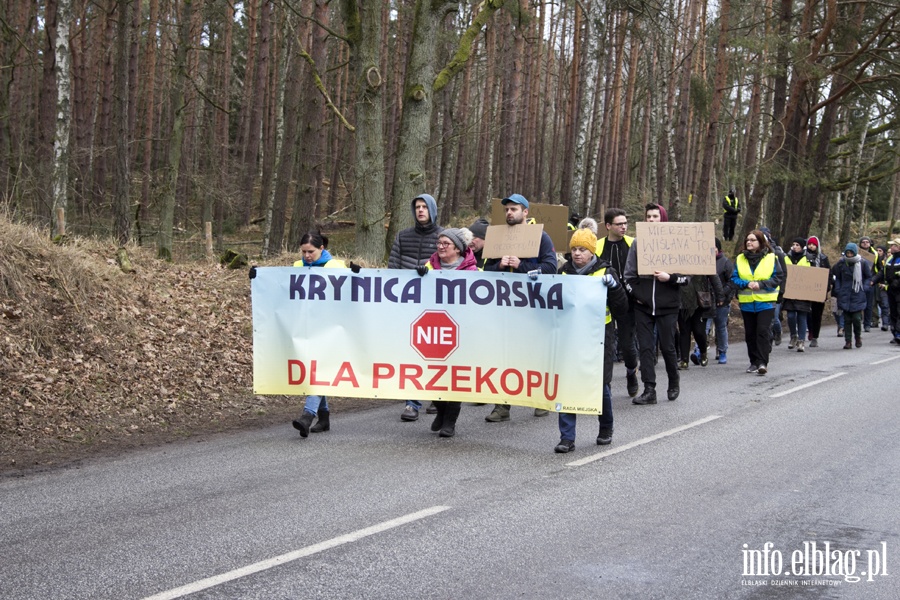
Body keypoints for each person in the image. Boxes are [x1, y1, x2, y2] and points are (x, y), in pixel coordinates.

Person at [483, 194, 558, 422]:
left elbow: (550, 267)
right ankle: (502, 406)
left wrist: (521, 265)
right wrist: (500, 265)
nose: (509, 213)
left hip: (532, 306)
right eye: (506, 209)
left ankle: (541, 400)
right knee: (504, 354)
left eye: (514, 209)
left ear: (525, 212)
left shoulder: (541, 237)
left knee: (534, 354)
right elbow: (485, 270)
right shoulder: (497, 237)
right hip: (505, 306)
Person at [554, 228, 629, 453]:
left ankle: (606, 427)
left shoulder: (606, 271)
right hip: (570, 335)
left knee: (600, 385)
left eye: (582, 250)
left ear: (591, 251)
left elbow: (622, 308)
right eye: (574, 249)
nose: (577, 254)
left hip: (600, 336)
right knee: (567, 383)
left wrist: (615, 288)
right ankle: (567, 437)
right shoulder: (563, 272)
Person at [624, 203, 689, 404]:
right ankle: (649, 390)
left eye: (655, 216)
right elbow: (628, 275)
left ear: (663, 219)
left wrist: (669, 277)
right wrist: (637, 294)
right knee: (645, 348)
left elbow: (686, 278)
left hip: (667, 306)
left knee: (668, 347)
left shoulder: (676, 242)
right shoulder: (637, 243)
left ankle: (673, 381)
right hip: (643, 306)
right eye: (648, 217)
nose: (651, 220)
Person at [388, 194, 443, 422]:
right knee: (412, 352)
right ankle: (412, 403)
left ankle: (437, 396)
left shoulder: (444, 236)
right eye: (417, 207)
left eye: (424, 207)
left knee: (435, 352)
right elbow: (393, 268)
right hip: (409, 302)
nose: (420, 211)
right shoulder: (403, 236)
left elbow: (451, 267)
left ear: (432, 209)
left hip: (435, 303)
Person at [420, 228, 479, 437]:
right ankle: (441, 410)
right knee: (430, 372)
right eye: (439, 243)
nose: (441, 247)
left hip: (461, 330)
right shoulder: (429, 265)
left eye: (446, 243)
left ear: (458, 248)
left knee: (454, 376)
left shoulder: (472, 272)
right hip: (433, 327)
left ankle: (450, 421)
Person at [290, 232, 346, 437]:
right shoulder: (296, 267)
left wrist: (356, 273)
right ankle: (324, 418)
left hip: (329, 328)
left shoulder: (335, 267)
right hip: (305, 327)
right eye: (303, 251)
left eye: (311, 251)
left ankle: (308, 415)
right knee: (313, 369)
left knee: (318, 370)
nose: (307, 256)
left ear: (321, 248)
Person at [595, 208, 639, 397]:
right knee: (604, 346)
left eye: (625, 223)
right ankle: (605, 386)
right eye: (619, 224)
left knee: (627, 345)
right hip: (601, 303)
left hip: (627, 302)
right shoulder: (597, 246)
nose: (623, 227)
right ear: (608, 226)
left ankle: (631, 372)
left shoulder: (632, 243)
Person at [732, 229, 784, 375]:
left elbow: (778, 277)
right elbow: (734, 278)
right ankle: (753, 362)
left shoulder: (771, 258)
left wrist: (761, 284)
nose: (749, 242)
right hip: (747, 302)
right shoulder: (740, 258)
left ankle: (762, 362)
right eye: (747, 240)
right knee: (750, 334)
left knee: (762, 331)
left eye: (753, 240)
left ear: (761, 242)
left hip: (766, 302)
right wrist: (745, 283)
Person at [679, 271, 724, 369]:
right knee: (684, 331)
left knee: (698, 331)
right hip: (682, 302)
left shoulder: (701, 257)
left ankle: (703, 351)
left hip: (700, 301)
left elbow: (714, 277)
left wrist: (720, 295)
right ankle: (684, 360)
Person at [832, 242, 873, 349]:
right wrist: (838, 289)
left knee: (856, 319)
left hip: (858, 293)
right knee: (847, 320)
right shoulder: (841, 263)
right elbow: (837, 277)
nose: (849, 255)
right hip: (844, 294)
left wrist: (864, 287)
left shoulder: (862, 263)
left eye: (851, 253)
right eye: (847, 253)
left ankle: (858, 337)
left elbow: (869, 277)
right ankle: (848, 341)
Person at [783, 238, 813, 352]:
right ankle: (793, 335)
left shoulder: (808, 258)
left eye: (797, 245)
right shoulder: (787, 257)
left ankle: (801, 340)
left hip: (803, 292)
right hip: (790, 291)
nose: (794, 246)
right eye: (793, 244)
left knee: (802, 316)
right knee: (790, 316)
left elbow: (813, 274)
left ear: (802, 247)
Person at [709, 238, 735, 363]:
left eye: (714, 247)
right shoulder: (703, 262)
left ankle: (722, 350)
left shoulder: (725, 262)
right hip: (706, 301)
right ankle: (700, 351)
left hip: (722, 301)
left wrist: (723, 295)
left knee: (720, 327)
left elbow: (731, 282)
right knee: (705, 327)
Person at [759, 227, 786, 346]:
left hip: (774, 293)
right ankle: (767, 342)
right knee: (765, 323)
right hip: (759, 294)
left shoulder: (777, 254)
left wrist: (782, 292)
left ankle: (778, 331)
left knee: (774, 318)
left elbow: (782, 274)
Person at [871, 238, 900, 344]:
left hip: (898, 290)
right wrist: (873, 281)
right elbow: (882, 272)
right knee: (893, 313)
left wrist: (896, 283)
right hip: (891, 291)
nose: (891, 247)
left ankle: (899, 334)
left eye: (894, 245)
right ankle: (895, 334)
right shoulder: (890, 259)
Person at [804, 236, 831, 346]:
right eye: (809, 244)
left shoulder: (823, 258)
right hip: (806, 289)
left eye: (813, 244)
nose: (811, 246)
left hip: (819, 290)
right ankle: (810, 330)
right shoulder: (804, 257)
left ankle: (815, 336)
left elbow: (829, 273)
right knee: (807, 313)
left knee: (817, 313)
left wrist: (827, 287)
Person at [858, 236, 876, 332]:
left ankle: (867, 324)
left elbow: (879, 269)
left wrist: (874, 280)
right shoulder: (855, 253)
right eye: (863, 242)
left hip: (870, 282)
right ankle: (858, 320)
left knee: (869, 305)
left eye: (867, 242)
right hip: (858, 281)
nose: (865, 243)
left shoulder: (875, 254)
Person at [874, 245, 891, 331]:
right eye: (888, 252)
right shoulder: (881, 262)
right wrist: (874, 281)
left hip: (893, 287)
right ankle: (885, 323)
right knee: (884, 305)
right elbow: (879, 273)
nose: (889, 254)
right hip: (882, 287)